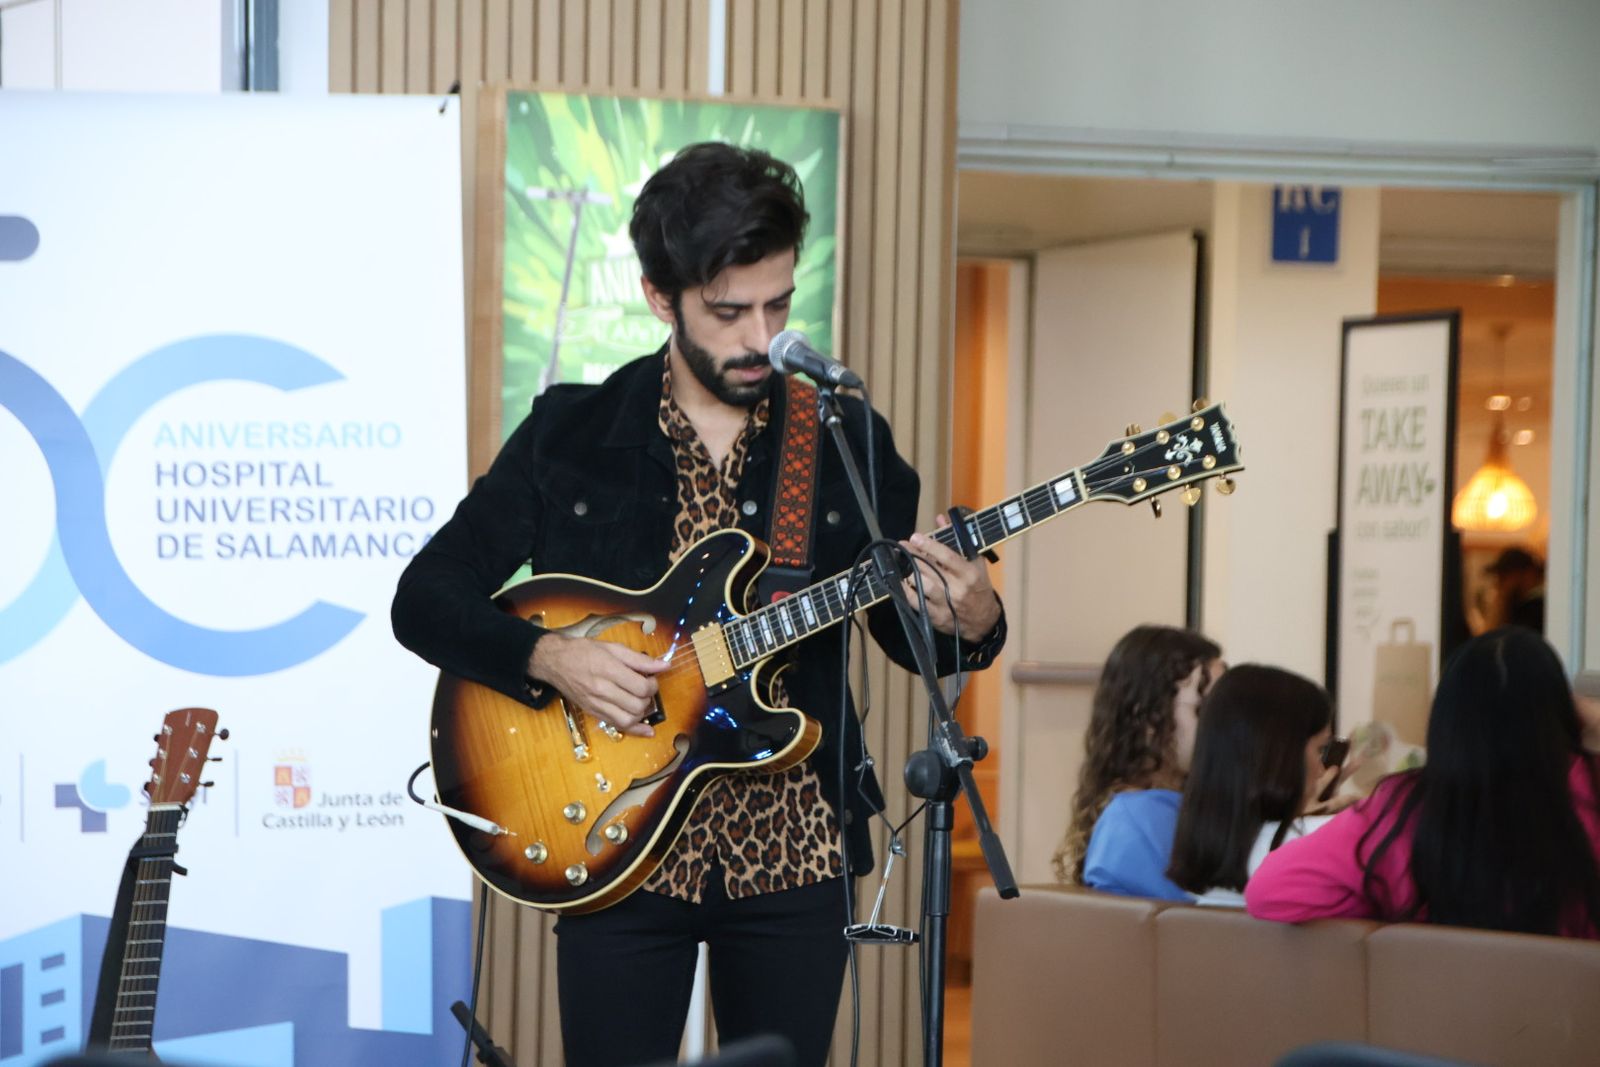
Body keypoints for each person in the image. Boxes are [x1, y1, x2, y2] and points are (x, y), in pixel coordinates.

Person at [390, 142, 1005, 1067]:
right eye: (729, 311)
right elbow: (422, 599)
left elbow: (899, 627)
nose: (762, 337)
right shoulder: (572, 432)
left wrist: (971, 616)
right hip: (614, 838)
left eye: (778, 304)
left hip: (795, 847)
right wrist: (550, 657)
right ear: (658, 295)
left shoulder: (840, 436)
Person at [1246, 628, 1600, 939]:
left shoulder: (1400, 807)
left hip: (1436, 1008)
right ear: (1564, 712)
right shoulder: (1589, 789)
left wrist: (1376, 900)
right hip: (1575, 1011)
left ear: (1445, 718)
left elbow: (1270, 890)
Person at [1052, 625, 1223, 900]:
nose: (1222, 726)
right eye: (1204, 709)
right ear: (1148, 717)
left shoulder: (1185, 804)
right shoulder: (1136, 821)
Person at [1166, 664, 1339, 907]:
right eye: (1320, 749)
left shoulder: (1201, 851)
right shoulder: (1312, 852)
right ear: (1281, 756)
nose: (1321, 769)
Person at [1486, 545, 1546, 633]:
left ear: (1528, 573)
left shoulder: (1534, 609)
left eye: (1504, 577)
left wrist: (1503, 600)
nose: (1500, 583)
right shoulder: (1520, 607)